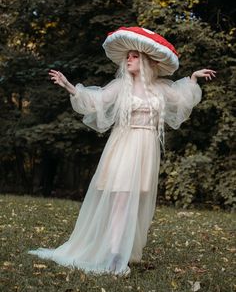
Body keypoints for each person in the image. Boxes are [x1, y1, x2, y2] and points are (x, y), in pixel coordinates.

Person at [27, 27, 216, 276]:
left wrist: (192, 78)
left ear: (147, 60)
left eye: (134, 56)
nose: (128, 59)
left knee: (133, 202)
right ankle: (115, 257)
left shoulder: (159, 88)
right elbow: (97, 100)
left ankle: (121, 250)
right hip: (124, 147)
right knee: (120, 200)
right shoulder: (120, 86)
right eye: (127, 55)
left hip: (147, 150)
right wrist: (70, 87)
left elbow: (182, 100)